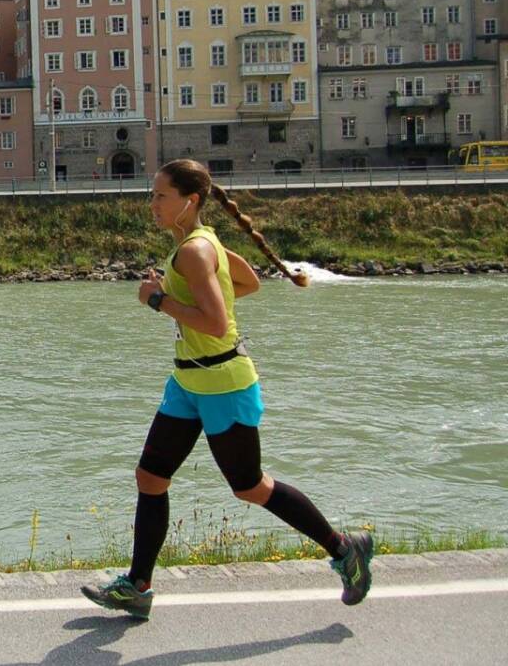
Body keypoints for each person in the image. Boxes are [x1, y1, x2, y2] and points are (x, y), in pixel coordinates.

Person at [81, 159, 373, 620]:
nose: (152, 204)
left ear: (189, 200)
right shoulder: (200, 242)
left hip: (222, 384)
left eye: (160, 195)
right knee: (150, 477)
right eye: (152, 194)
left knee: (250, 487)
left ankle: (344, 549)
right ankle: (138, 586)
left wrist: (158, 300)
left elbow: (216, 324)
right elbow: (248, 283)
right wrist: (190, 295)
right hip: (188, 381)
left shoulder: (195, 251)